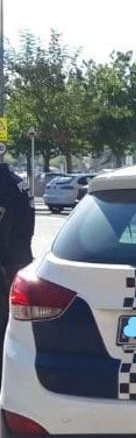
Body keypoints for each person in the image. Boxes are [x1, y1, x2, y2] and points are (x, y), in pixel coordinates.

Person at [0, 154, 36, 367]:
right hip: (20, 259)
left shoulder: (3, 185)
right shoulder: (16, 182)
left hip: (6, 266)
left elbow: (3, 231)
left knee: (5, 326)